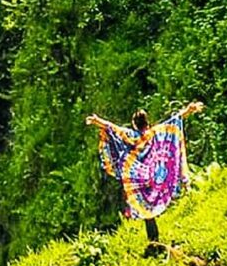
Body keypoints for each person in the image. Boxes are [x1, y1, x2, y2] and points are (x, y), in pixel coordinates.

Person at [85, 101, 205, 256]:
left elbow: (111, 127)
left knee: (147, 213)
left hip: (138, 180)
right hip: (156, 177)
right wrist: (189, 109)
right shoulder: (155, 133)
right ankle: (154, 242)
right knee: (152, 211)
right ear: (147, 123)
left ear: (134, 124)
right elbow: (175, 119)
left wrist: (96, 121)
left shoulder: (130, 135)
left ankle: (153, 242)